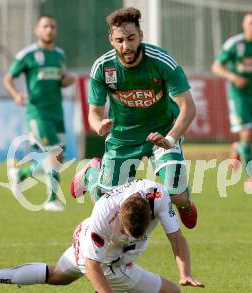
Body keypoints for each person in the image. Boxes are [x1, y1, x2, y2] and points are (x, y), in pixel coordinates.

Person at [0, 179, 203, 293]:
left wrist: (185, 272)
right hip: (103, 255)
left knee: (57, 275)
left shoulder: (158, 195)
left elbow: (176, 238)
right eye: (127, 231)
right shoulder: (105, 213)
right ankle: (108, 290)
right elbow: (91, 265)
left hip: (96, 246)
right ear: (120, 221)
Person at [70, 7, 198, 229]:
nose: (126, 46)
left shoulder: (161, 61)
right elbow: (94, 112)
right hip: (123, 138)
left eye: (131, 38)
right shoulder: (103, 68)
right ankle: (92, 174)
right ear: (111, 40)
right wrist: (98, 125)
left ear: (141, 36)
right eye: (119, 40)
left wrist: (171, 138)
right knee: (107, 206)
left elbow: (188, 107)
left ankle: (186, 204)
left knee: (177, 195)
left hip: (162, 134)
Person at [4, 15, 75, 211]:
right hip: (38, 113)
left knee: (59, 158)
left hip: (57, 113)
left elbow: (61, 78)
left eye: (52, 26)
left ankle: (20, 174)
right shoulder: (28, 54)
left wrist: (68, 79)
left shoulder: (59, 54)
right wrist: (17, 94)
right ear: (37, 30)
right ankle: (51, 200)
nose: (49, 29)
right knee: (52, 153)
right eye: (45, 26)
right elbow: (8, 78)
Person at [212, 12, 252, 187]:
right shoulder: (235, 44)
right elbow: (217, 66)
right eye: (251, 23)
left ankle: (238, 147)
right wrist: (233, 78)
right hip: (239, 96)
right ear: (244, 25)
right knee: (247, 134)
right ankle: (251, 176)